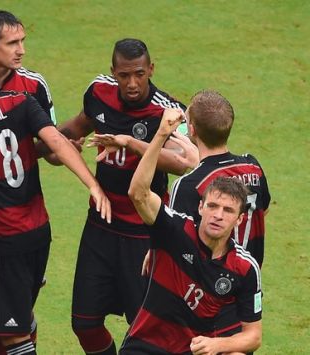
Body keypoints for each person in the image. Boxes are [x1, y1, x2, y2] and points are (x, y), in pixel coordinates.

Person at [0, 45, 111, 355]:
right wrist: (92, 184)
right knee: (4, 316)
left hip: (1, 237)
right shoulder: (22, 101)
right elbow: (57, 141)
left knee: (0, 325)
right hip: (39, 232)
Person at [58, 38, 191, 355]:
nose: (132, 83)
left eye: (139, 74)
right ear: (113, 72)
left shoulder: (169, 112)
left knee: (144, 332)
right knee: (84, 323)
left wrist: (130, 143)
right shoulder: (98, 92)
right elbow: (77, 127)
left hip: (143, 236)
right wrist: (42, 147)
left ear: (151, 70)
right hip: (100, 226)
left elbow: (184, 162)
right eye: (124, 75)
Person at [120, 108, 262, 354]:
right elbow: (138, 193)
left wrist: (217, 345)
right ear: (201, 207)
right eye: (213, 206)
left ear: (239, 220)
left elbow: (253, 336)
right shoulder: (175, 230)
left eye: (227, 211)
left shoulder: (244, 268)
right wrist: (161, 134)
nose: (218, 215)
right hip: (146, 346)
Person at [168, 90, 270, 268]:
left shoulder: (187, 185)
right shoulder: (253, 167)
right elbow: (263, 211)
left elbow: (174, 244)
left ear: (191, 130)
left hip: (207, 289)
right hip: (249, 281)